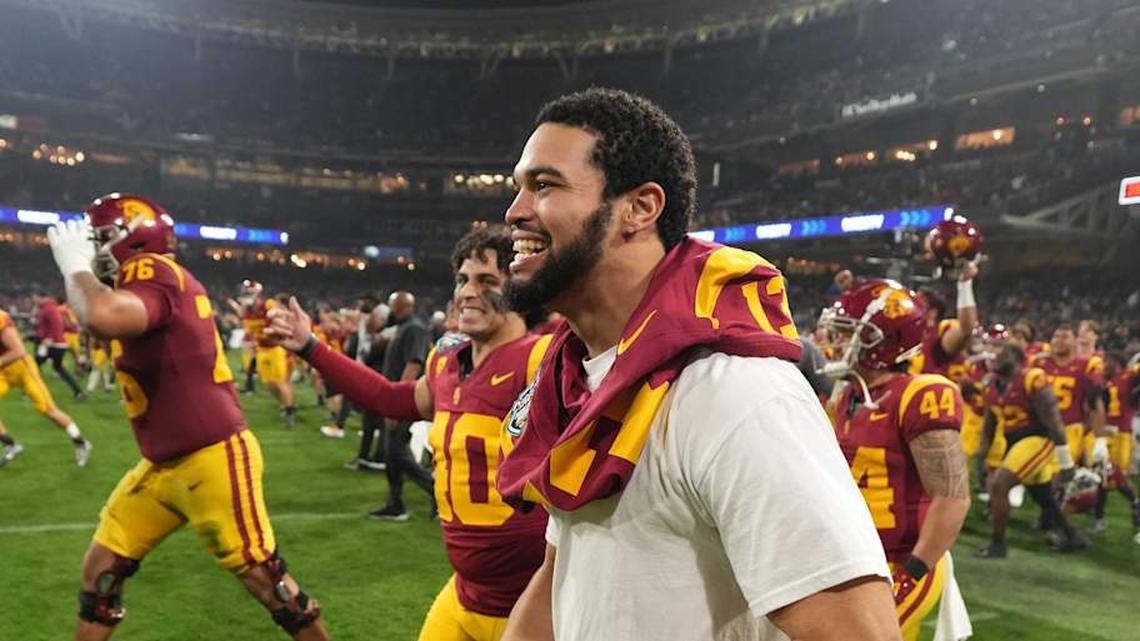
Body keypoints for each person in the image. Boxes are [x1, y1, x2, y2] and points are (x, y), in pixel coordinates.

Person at [497, 88, 898, 641]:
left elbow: (859, 633)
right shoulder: (575, 374)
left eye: (544, 186)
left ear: (639, 208)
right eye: (519, 188)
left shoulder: (737, 392)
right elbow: (561, 570)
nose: (514, 212)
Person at [46, 194, 327, 640]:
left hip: (210, 457)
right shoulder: (147, 277)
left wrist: (74, 267)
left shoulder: (149, 269)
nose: (93, 247)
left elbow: (100, 314)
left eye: (99, 238)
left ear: (130, 239)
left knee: (269, 582)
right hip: (164, 465)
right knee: (101, 571)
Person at [266, 228, 552, 641]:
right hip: (465, 593)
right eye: (462, 279)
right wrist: (312, 346)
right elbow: (391, 398)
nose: (468, 292)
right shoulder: (447, 360)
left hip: (530, 604)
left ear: (521, 292)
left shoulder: (543, 359)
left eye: (487, 281)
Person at [819, 279, 971, 641]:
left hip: (898, 560)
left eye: (849, 333)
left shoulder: (920, 394)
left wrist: (913, 572)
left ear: (885, 342)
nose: (837, 343)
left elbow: (952, 497)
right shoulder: (844, 396)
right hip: (849, 557)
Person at [975, 343, 1087, 558]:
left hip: (1037, 439)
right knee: (1042, 496)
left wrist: (1065, 460)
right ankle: (1072, 535)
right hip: (1014, 443)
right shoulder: (991, 384)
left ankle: (997, 545)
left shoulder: (1032, 378)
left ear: (1017, 359)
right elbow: (989, 425)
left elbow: (1053, 419)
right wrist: (982, 457)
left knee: (1000, 485)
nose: (997, 358)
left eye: (1003, 353)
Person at [0, 304, 92, 466]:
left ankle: (81, 443)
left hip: (22, 368)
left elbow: (18, 350)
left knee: (48, 409)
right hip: (3, 371)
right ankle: (10, 445)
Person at [371, 290, 435, 520]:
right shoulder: (406, 326)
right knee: (392, 453)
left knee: (397, 452)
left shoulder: (414, 328)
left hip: (404, 400)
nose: (390, 310)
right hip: (396, 398)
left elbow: (413, 365)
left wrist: (397, 402)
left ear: (401, 306)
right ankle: (395, 503)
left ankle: (436, 490)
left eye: (392, 305)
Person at [1034, 324, 1108, 473]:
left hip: (1069, 429)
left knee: (1056, 473)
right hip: (1039, 429)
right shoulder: (1038, 363)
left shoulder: (1086, 365)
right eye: (1056, 336)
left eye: (1065, 337)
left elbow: (1096, 401)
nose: (1059, 341)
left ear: (1075, 341)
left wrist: (1099, 437)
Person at [239, 283, 297, 427]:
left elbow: (282, 319)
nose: (247, 297)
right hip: (262, 349)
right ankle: (284, 404)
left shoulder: (268, 305)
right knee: (269, 383)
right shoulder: (246, 312)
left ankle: (290, 411)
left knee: (280, 381)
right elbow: (251, 331)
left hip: (277, 348)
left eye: (249, 294)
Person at [1100, 351, 1140, 536]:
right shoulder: (1105, 380)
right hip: (1104, 433)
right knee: (1099, 474)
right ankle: (1098, 517)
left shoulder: (1129, 375)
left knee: (1117, 476)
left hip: (1122, 434)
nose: (1103, 365)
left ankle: (1135, 502)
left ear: (1115, 361)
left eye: (1106, 361)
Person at [32, 290, 86, 399]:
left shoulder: (49, 309)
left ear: (40, 297)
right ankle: (78, 392)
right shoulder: (50, 308)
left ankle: (34, 392)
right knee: (58, 368)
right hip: (57, 344)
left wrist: (50, 338)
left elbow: (57, 323)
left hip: (51, 344)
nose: (33, 300)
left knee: (34, 366)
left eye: (34, 298)